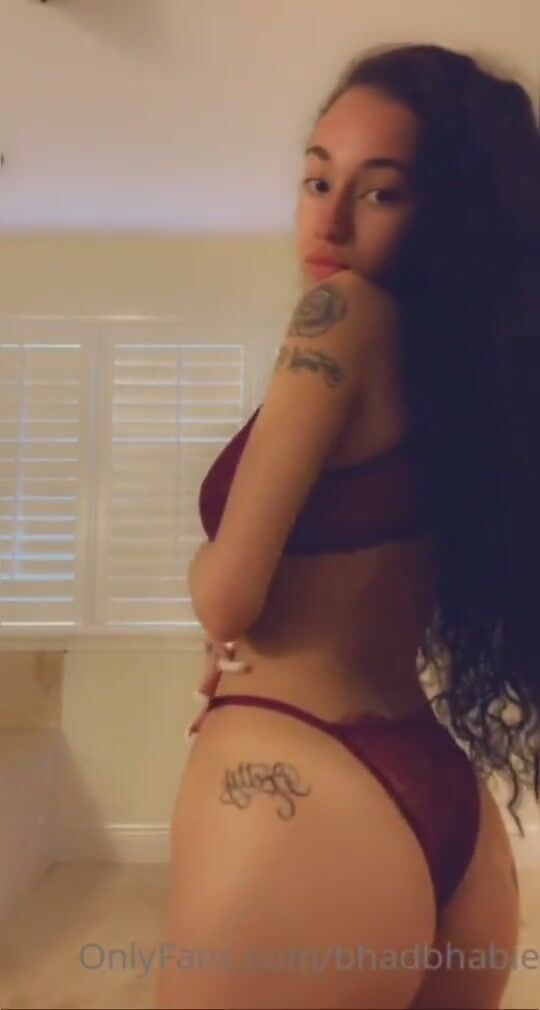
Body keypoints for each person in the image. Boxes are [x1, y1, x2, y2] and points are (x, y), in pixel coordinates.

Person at [155, 42, 540, 1010]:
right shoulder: (471, 372)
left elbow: (230, 593)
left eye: (378, 192)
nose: (327, 220)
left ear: (444, 214)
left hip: (293, 786)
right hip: (442, 805)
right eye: (317, 180)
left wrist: (217, 594)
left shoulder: (337, 314)